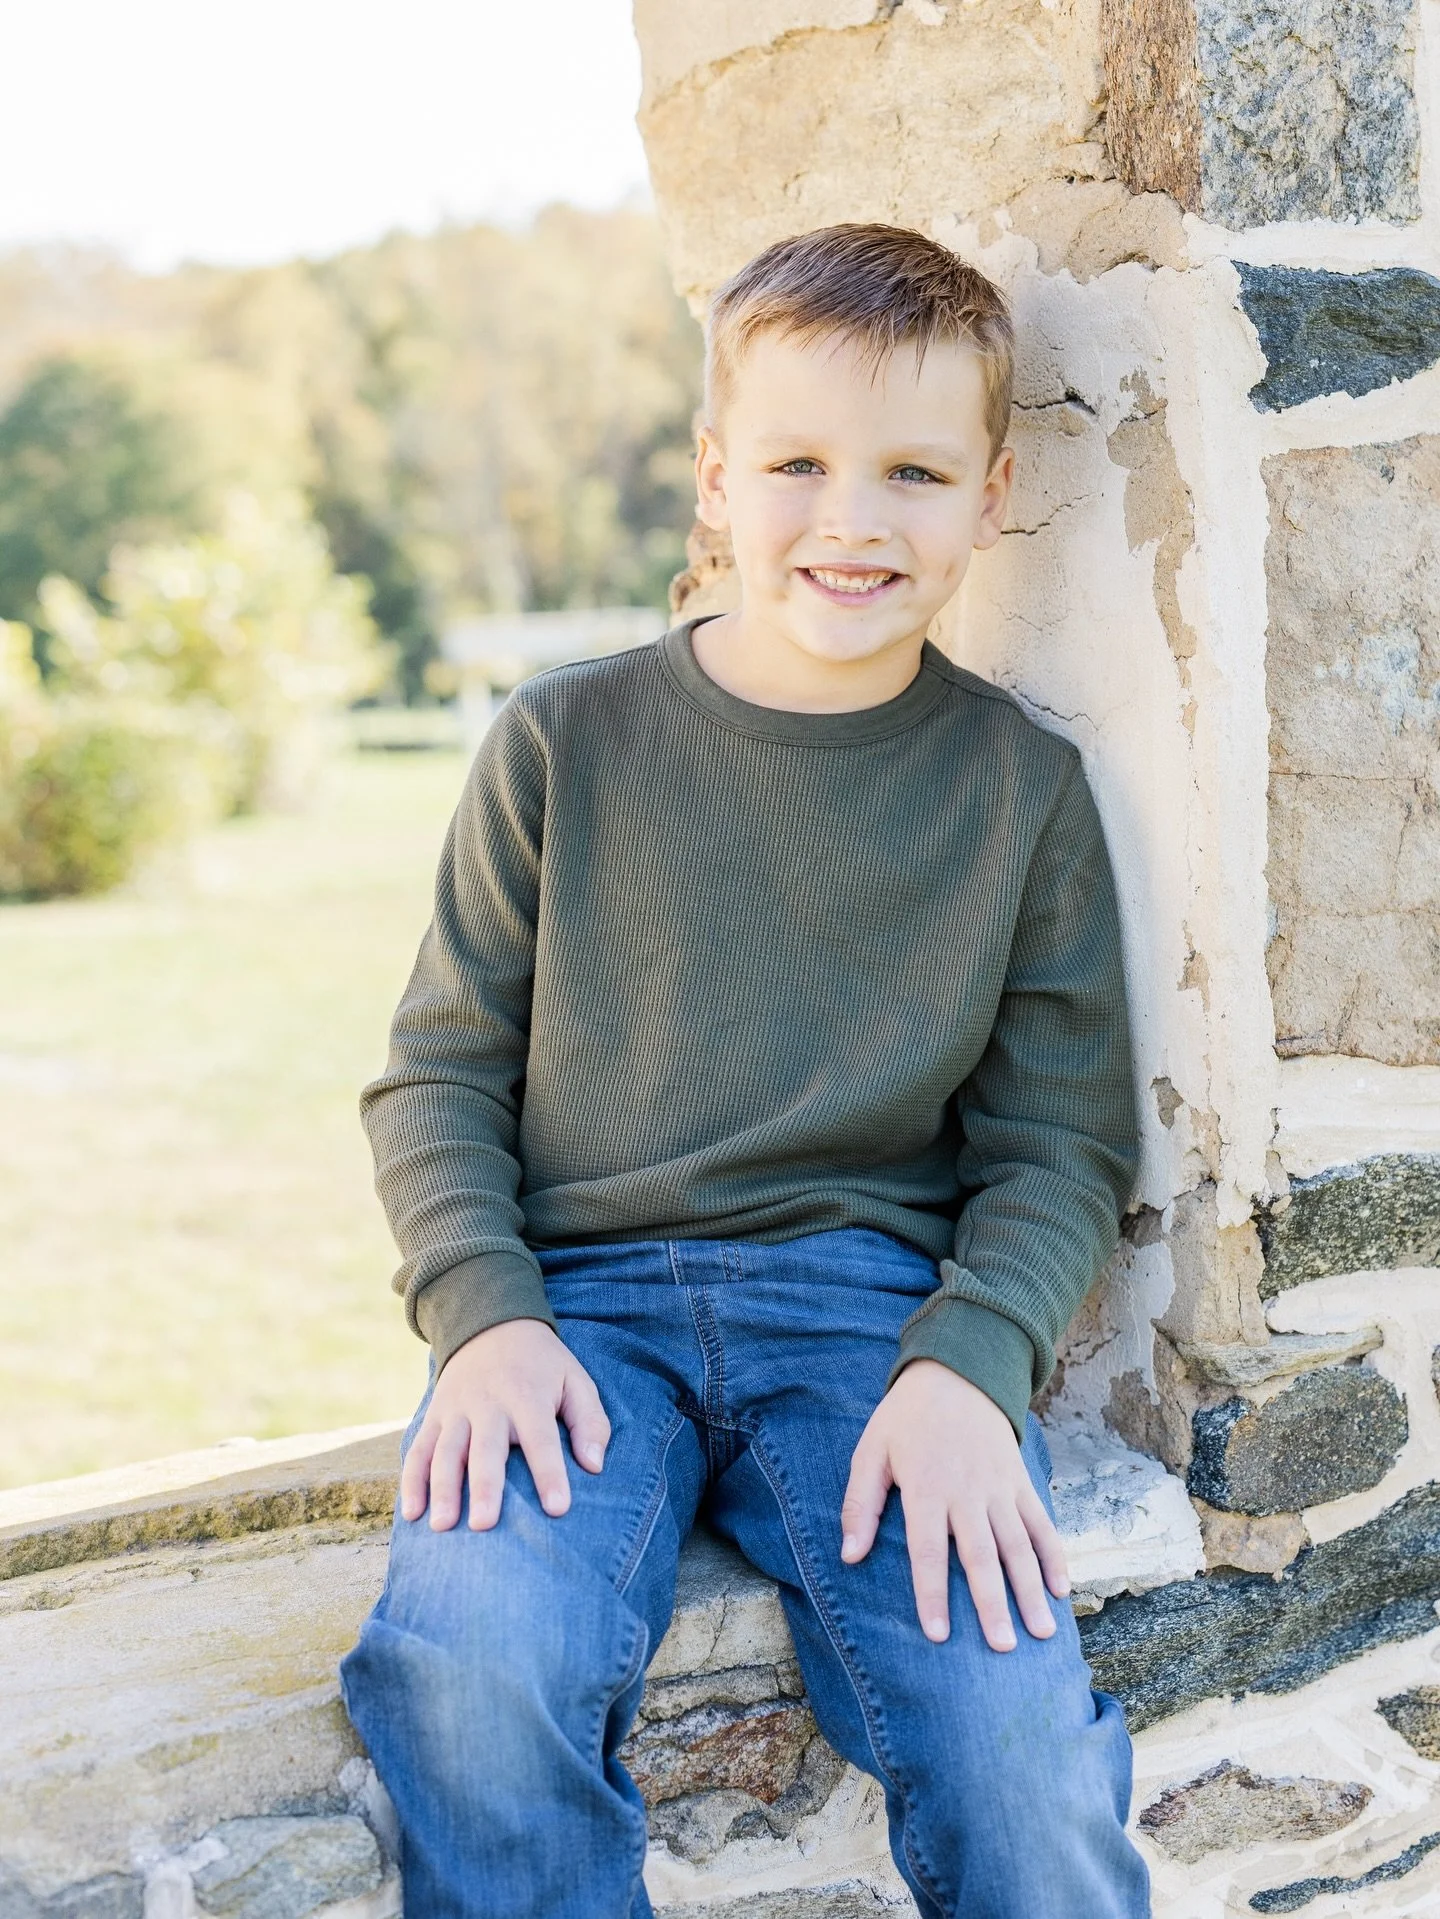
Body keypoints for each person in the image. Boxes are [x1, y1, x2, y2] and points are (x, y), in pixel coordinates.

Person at [341, 222, 1150, 1919]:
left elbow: (1059, 1147)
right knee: (474, 1668)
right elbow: (436, 1077)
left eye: (914, 470)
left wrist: (969, 1364)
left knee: (1013, 1736)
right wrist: (481, 1311)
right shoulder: (563, 745)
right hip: (574, 1316)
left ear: (992, 493)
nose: (853, 518)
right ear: (716, 477)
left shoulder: (1021, 793)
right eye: (797, 462)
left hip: (870, 1319)